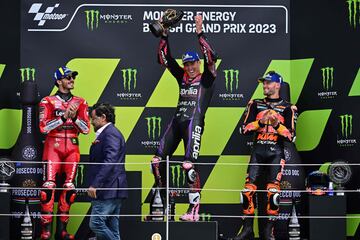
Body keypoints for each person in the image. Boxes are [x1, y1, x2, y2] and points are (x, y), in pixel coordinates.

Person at [149, 14, 217, 221]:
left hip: (193, 124)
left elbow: (211, 57)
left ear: (198, 63)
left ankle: (193, 210)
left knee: (188, 167)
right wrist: (164, 35)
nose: (189, 68)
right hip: (177, 122)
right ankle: (162, 207)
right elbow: (164, 59)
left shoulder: (207, 77)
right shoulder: (182, 77)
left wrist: (200, 32)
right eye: (186, 64)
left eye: (192, 64)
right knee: (156, 162)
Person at [233, 71, 297, 240]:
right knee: (247, 190)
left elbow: (291, 136)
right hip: (258, 151)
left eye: (268, 83)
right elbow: (244, 129)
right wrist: (261, 122)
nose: (265, 86)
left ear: (278, 85)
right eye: (264, 83)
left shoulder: (288, 107)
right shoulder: (255, 104)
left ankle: (269, 231)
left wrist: (276, 124)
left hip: (276, 152)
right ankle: (247, 229)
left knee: (273, 192)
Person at [39, 66, 90, 239]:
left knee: (69, 188)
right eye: (68, 77)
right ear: (59, 81)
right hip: (53, 145)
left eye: (73, 77)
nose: (72, 80)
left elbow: (86, 130)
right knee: (48, 187)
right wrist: (62, 117)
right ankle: (45, 231)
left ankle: (61, 231)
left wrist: (74, 117)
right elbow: (43, 128)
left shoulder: (81, 102)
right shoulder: (47, 101)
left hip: (73, 146)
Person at [87, 103, 128, 240]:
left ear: (103, 117)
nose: (91, 122)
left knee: (96, 224)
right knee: (112, 228)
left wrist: (96, 184)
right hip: (111, 188)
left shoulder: (110, 134)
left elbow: (110, 161)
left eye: (93, 118)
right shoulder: (109, 133)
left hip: (108, 189)